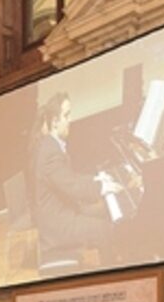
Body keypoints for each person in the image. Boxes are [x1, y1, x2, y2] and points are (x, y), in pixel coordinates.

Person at [30, 92, 121, 265]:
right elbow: (73, 186)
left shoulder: (52, 145)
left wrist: (98, 179)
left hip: (64, 212)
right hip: (57, 224)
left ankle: (113, 260)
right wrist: (102, 187)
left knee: (105, 211)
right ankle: (113, 271)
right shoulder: (50, 152)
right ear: (55, 121)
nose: (70, 120)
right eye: (66, 115)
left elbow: (71, 178)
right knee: (102, 230)